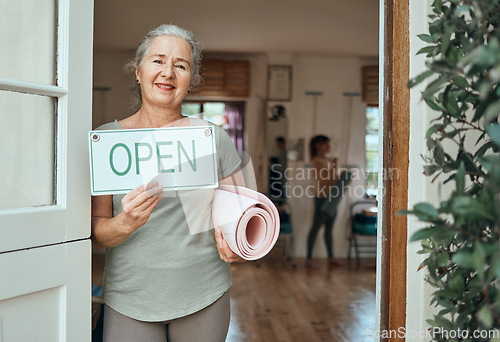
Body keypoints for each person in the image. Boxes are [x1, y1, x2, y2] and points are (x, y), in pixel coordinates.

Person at [91, 24, 247, 342]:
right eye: (158, 60)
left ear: (191, 81)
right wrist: (125, 222)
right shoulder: (107, 139)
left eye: (181, 65)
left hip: (205, 294)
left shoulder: (213, 139)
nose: (168, 72)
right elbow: (97, 235)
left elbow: (244, 216)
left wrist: (237, 239)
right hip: (128, 299)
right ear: (138, 72)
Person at [306, 135, 341, 268]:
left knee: (329, 229)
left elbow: (333, 180)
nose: (329, 147)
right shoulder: (316, 161)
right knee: (315, 228)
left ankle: (331, 258)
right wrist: (333, 168)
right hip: (321, 199)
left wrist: (334, 168)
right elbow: (324, 181)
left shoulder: (327, 160)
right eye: (326, 144)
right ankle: (309, 259)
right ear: (318, 145)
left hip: (332, 198)